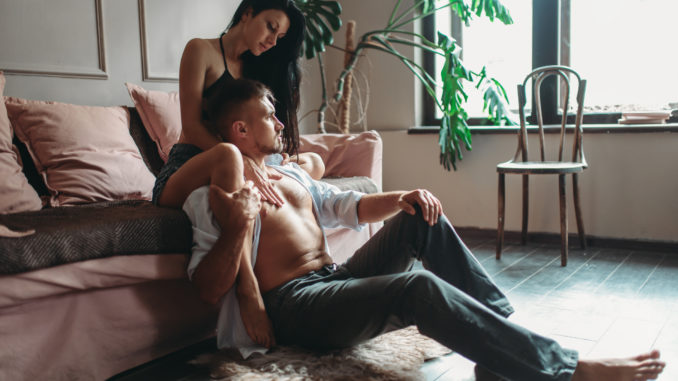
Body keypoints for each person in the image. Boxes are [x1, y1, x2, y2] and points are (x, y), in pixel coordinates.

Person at [184, 78, 666, 381]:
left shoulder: (291, 173)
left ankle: (504, 349)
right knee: (417, 288)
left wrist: (403, 197)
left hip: (334, 279)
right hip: (296, 306)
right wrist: (241, 221)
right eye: (268, 115)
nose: (280, 123)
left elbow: (347, 205)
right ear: (240, 131)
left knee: (421, 219)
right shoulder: (217, 194)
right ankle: (566, 369)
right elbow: (208, 287)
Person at [152, 0, 323, 347]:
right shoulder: (200, 51)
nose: (273, 41)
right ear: (247, 13)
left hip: (244, 160)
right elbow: (192, 125)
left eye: (281, 36)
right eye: (271, 27)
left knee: (313, 163)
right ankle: (248, 289)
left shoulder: (256, 68)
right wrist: (242, 163)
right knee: (228, 154)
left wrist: (272, 161)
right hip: (190, 163)